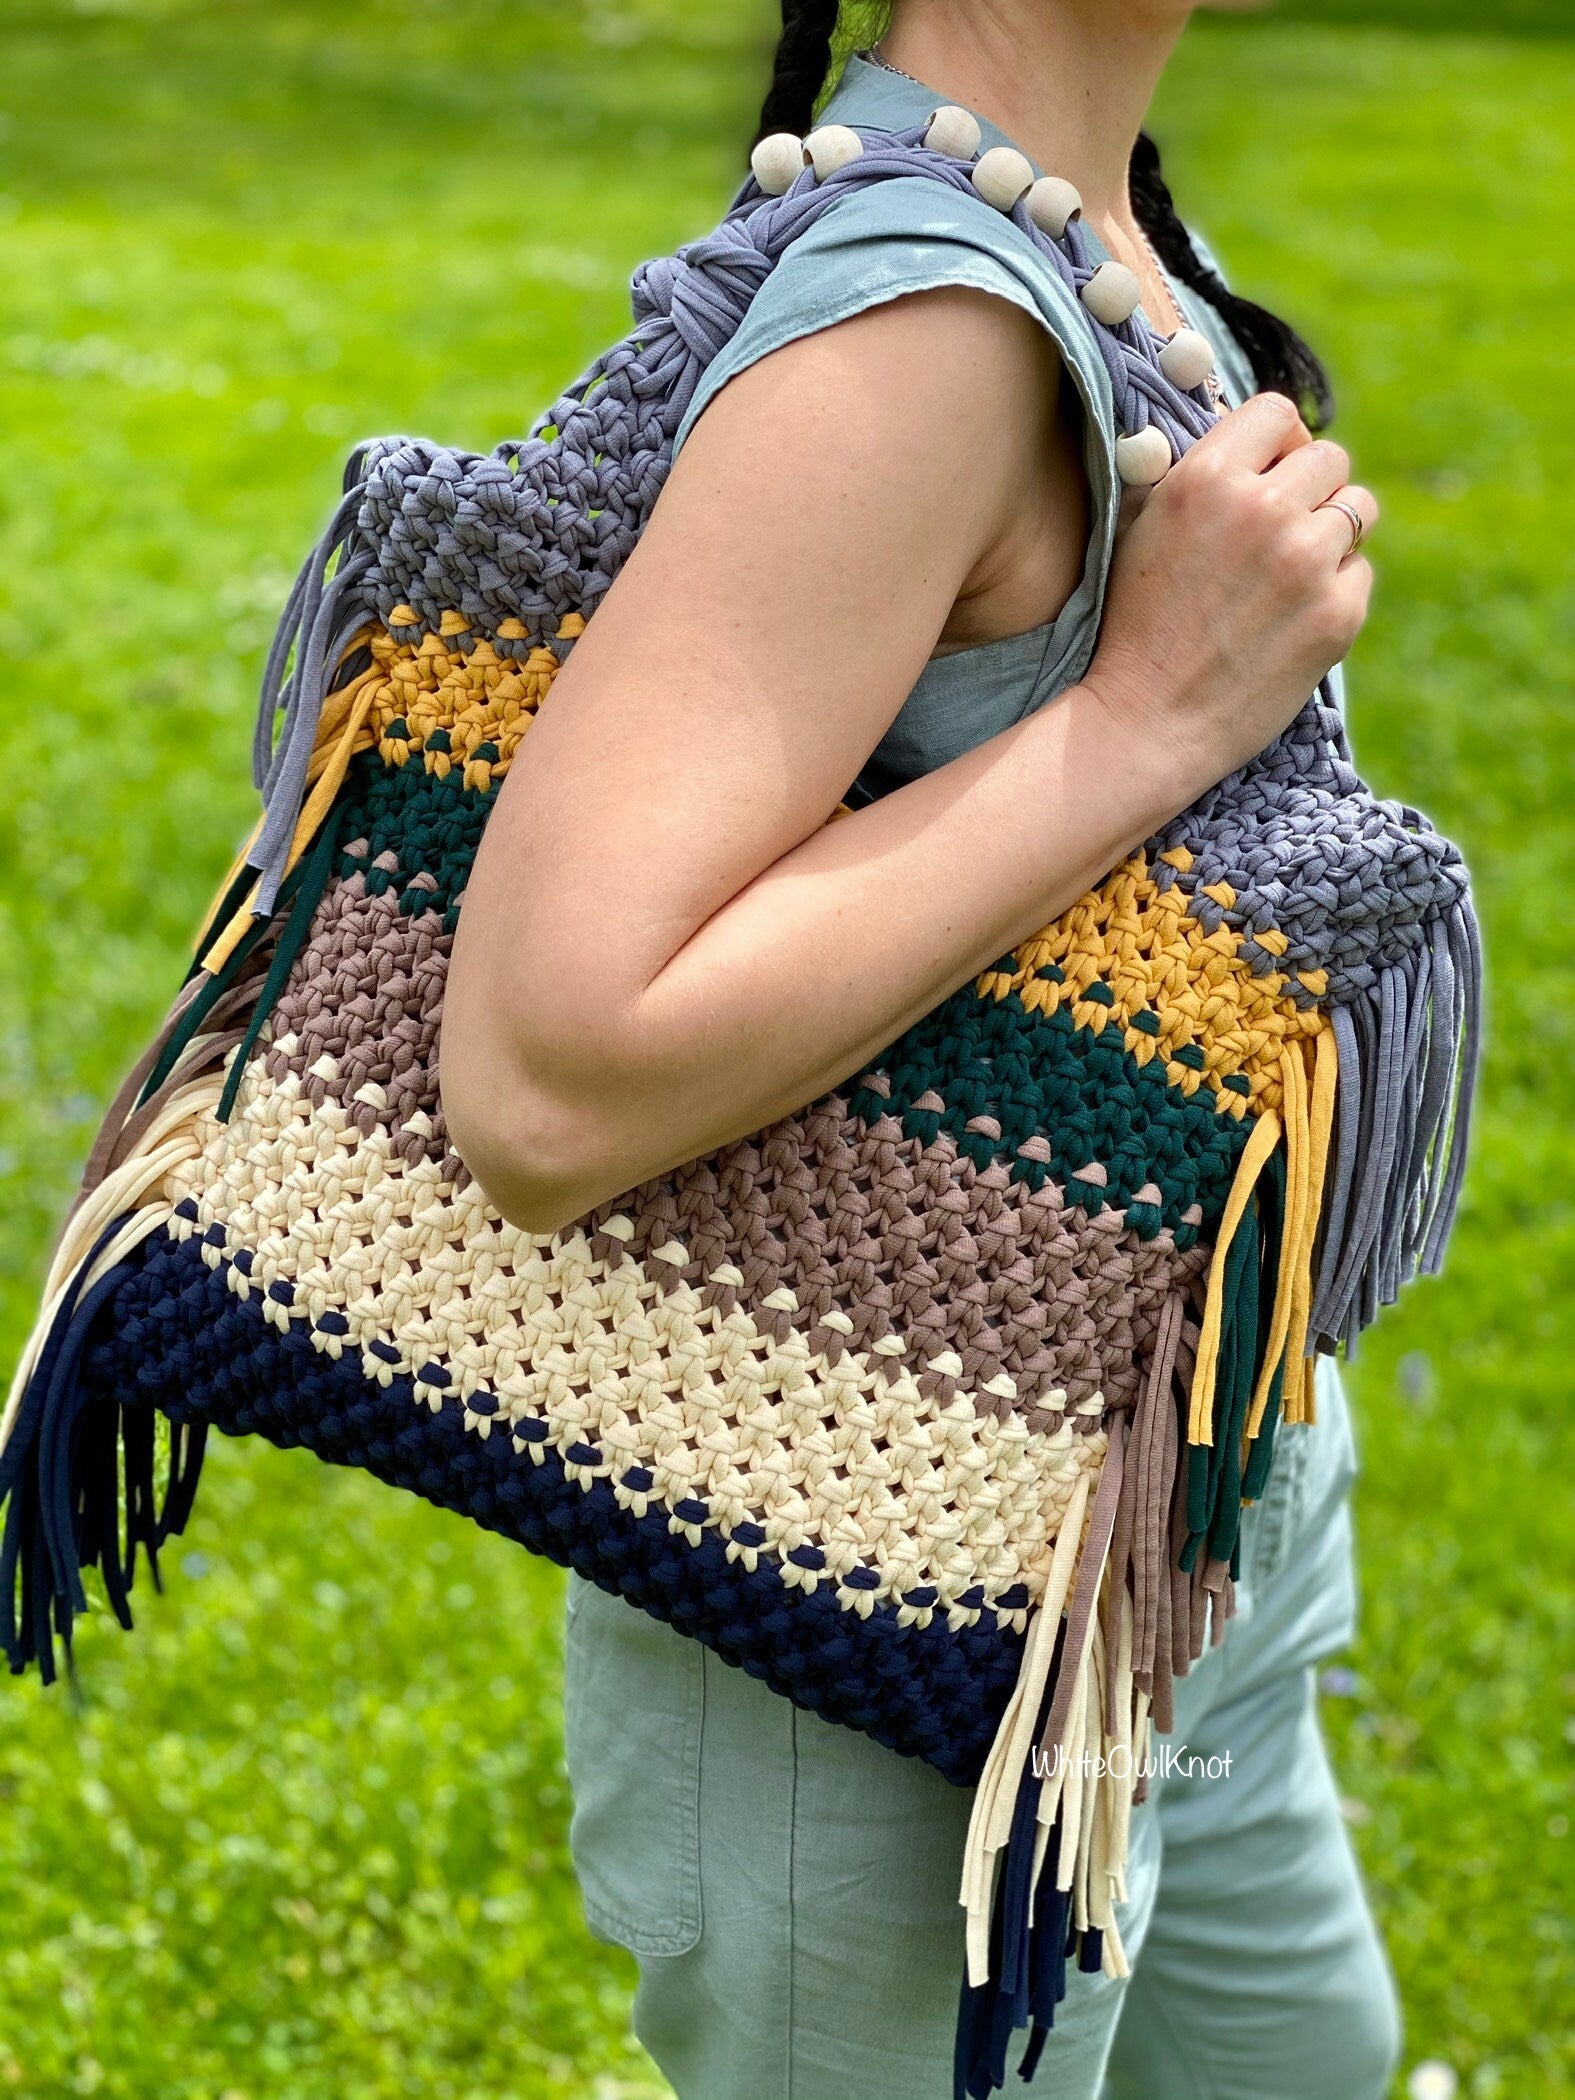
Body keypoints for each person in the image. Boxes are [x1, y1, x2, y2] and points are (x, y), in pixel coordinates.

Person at [441, 4, 1404, 2095]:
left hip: (1167, 1525)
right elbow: (539, 1076)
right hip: (878, 1593)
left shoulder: (1101, 222)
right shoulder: (917, 334)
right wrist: (1141, 717)